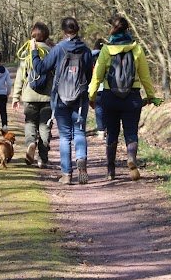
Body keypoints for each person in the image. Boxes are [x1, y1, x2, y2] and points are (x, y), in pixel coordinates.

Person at [88, 14, 157, 181]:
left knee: (112, 133)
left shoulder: (106, 50)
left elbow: (97, 76)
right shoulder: (137, 49)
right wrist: (151, 96)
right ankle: (131, 158)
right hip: (132, 97)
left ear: (112, 29)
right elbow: (145, 76)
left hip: (109, 97)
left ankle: (110, 171)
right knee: (131, 132)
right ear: (127, 30)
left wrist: (92, 95)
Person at [30, 17, 93, 184]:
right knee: (79, 132)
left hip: (60, 98)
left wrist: (34, 52)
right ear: (77, 29)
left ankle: (66, 174)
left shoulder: (58, 49)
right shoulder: (86, 50)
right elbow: (89, 75)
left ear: (64, 31)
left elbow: (41, 68)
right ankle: (81, 158)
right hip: (80, 98)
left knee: (65, 136)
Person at [12, 22, 54, 169]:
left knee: (30, 123)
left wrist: (16, 97)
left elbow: (20, 76)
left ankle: (30, 143)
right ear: (46, 35)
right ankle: (43, 158)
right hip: (47, 97)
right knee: (45, 127)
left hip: (29, 96)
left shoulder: (26, 52)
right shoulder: (51, 52)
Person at [91, 39, 106, 141]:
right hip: (108, 86)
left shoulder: (90, 56)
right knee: (108, 109)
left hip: (95, 86)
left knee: (98, 109)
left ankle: (101, 131)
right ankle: (108, 128)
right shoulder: (108, 54)